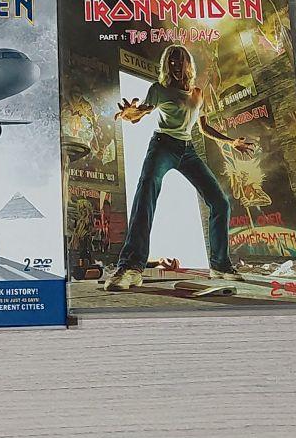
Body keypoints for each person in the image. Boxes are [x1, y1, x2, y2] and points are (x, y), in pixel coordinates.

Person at [102, 44, 254, 292]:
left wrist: (231, 142)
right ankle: (130, 267)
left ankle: (220, 265)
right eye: (170, 61)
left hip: (188, 150)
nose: (175, 65)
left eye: (179, 60)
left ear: (188, 64)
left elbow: (204, 127)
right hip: (162, 146)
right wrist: (129, 113)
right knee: (146, 192)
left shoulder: (198, 93)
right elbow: (139, 114)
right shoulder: (158, 90)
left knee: (220, 202)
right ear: (166, 65)